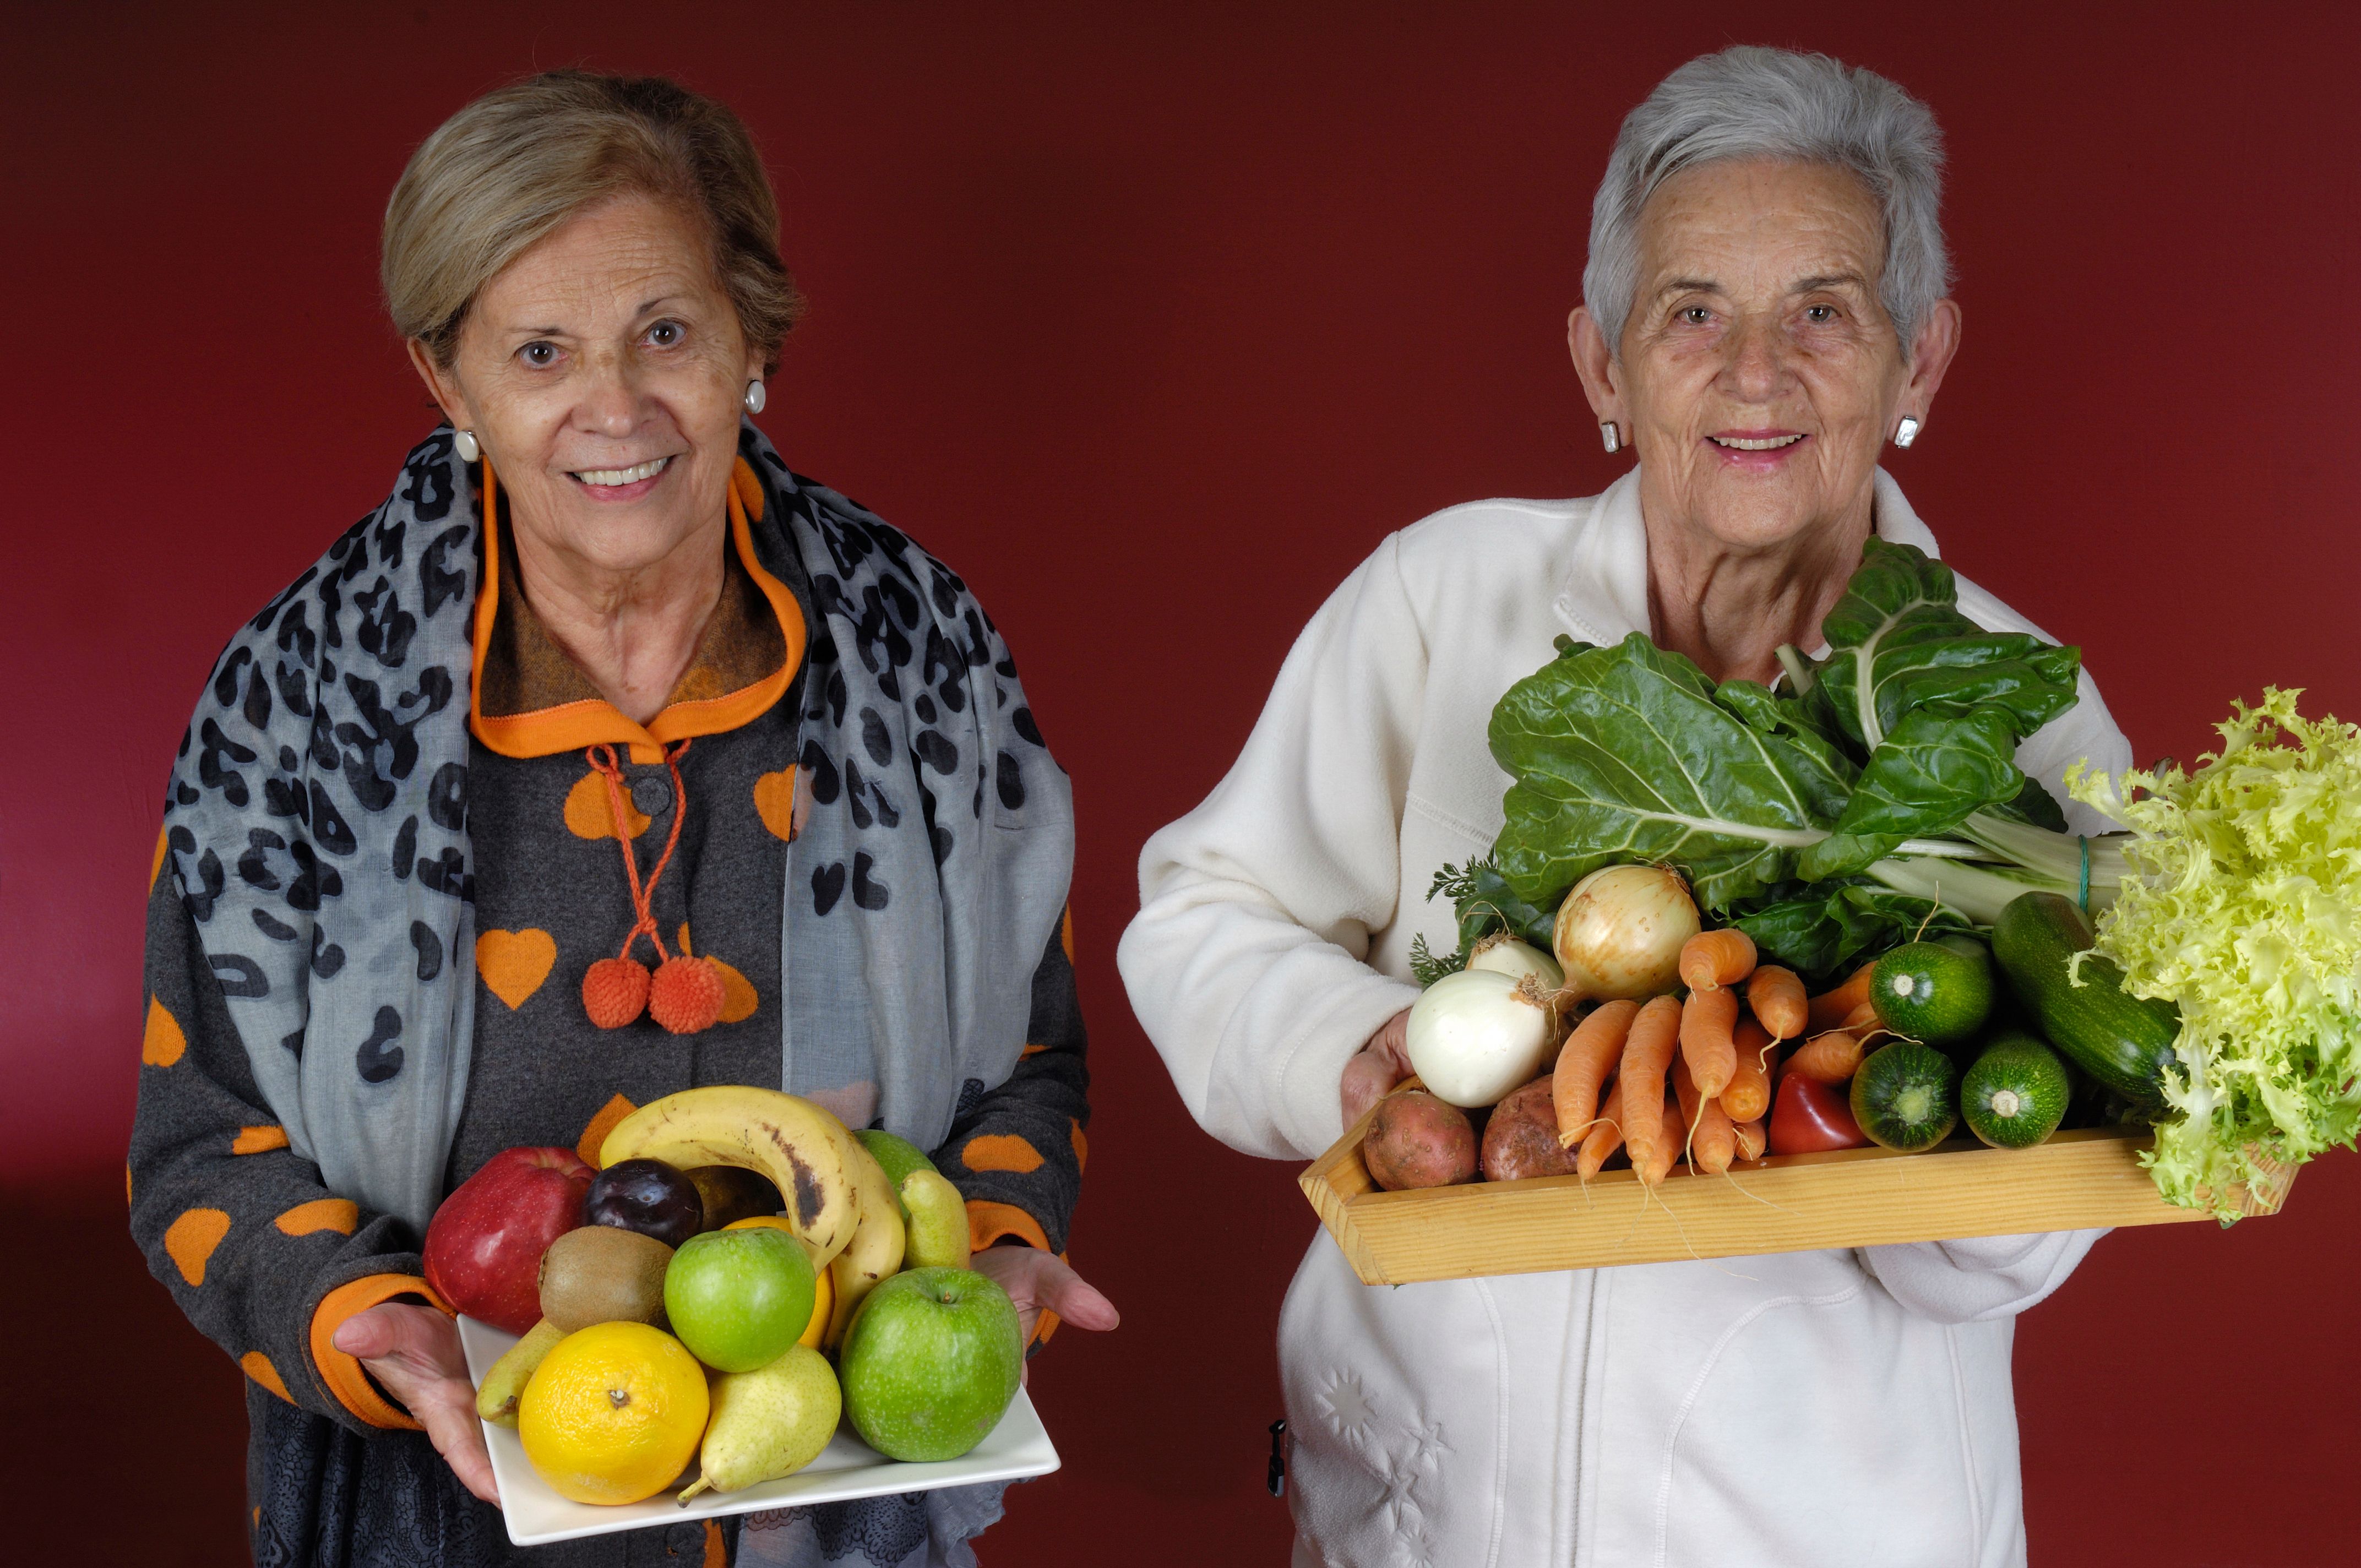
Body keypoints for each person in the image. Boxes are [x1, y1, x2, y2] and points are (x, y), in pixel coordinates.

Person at [1120, 45, 2126, 1568]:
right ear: (1605, 365)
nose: (1756, 373)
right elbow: (1202, 916)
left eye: (1825, 312)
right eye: (1693, 312)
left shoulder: (2009, 698)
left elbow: (2012, 1243)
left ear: (1920, 362)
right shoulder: (1435, 596)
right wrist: (1360, 1057)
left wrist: (1866, 1105)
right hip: (1418, 1518)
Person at [128, 70, 1115, 1568]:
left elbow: (1031, 1062)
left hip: (837, 1499)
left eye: (666, 330)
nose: (615, 407)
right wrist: (370, 1324)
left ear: (750, 341)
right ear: (450, 383)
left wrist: (993, 1245)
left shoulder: (928, 661)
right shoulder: (298, 708)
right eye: (540, 351)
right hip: (444, 1513)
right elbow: (198, 1144)